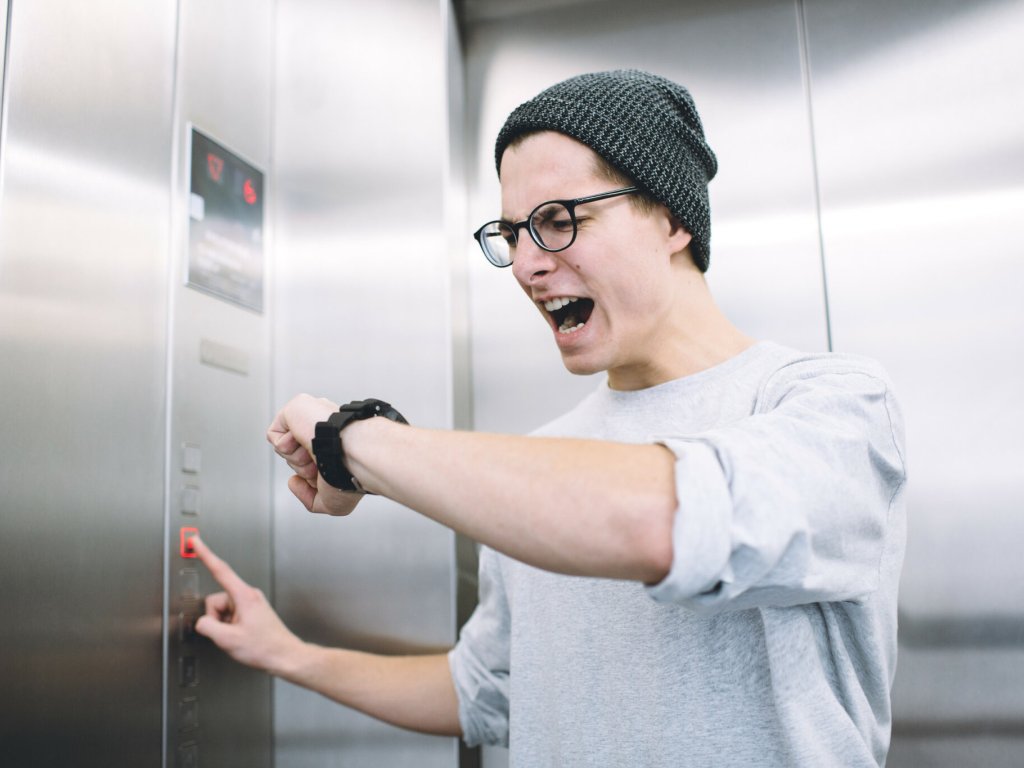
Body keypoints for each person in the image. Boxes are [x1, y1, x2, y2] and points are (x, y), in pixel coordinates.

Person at [194, 69, 907, 767]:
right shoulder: (541, 461)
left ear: (672, 218)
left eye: (559, 222)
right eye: (513, 234)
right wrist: (286, 655)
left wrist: (352, 442)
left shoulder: (832, 407)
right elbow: (486, 690)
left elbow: (665, 519)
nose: (526, 265)